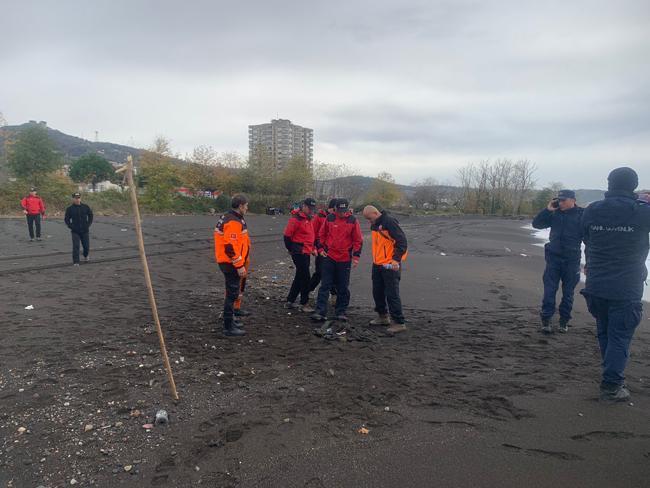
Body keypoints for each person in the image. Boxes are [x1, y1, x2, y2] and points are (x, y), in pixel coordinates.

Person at [581, 167, 650, 402]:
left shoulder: (592, 210)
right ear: (634, 186)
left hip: (597, 282)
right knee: (619, 335)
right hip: (626, 284)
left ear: (609, 184)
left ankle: (612, 375)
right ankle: (611, 385)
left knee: (606, 332)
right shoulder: (642, 212)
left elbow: (586, 237)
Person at [532, 189, 583, 334]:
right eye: (559, 200)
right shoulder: (554, 213)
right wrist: (547, 210)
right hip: (553, 258)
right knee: (549, 290)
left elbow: (590, 238)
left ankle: (564, 321)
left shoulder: (582, 215)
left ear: (573, 200)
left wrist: (590, 260)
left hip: (572, 260)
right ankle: (546, 320)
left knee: (568, 293)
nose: (560, 203)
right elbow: (536, 224)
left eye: (563, 200)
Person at [311, 198, 363, 322]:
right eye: (339, 210)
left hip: (344, 258)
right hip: (329, 257)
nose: (341, 213)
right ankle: (320, 311)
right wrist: (320, 248)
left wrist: (356, 257)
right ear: (335, 209)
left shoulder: (352, 220)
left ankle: (341, 311)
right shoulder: (330, 218)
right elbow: (321, 235)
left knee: (343, 286)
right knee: (325, 285)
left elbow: (358, 240)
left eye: (344, 211)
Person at [363, 205, 408, 334]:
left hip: (390, 264)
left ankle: (399, 322)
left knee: (392, 294)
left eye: (369, 218)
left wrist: (395, 259)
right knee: (377, 292)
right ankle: (383, 316)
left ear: (376, 213)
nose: (369, 221)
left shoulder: (389, 222)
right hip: (378, 264)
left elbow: (402, 242)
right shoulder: (376, 223)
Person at [214, 194, 251, 337]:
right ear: (241, 206)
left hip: (228, 262)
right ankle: (228, 326)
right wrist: (240, 265)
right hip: (229, 263)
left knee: (232, 292)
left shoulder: (230, 217)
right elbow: (230, 247)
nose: (247, 208)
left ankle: (230, 321)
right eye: (246, 205)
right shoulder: (233, 221)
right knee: (231, 294)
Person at [284, 198, 317, 312]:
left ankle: (290, 300)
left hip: (306, 251)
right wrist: (291, 249)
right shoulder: (296, 219)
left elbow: (309, 237)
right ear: (304, 206)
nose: (311, 210)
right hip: (299, 252)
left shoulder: (309, 219)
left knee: (300, 276)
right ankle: (304, 303)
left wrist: (312, 248)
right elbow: (287, 236)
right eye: (309, 208)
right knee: (305, 277)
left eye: (313, 208)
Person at [308, 199, 332, 293]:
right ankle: (308, 290)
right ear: (330, 208)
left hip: (331, 249)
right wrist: (314, 247)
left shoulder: (336, 218)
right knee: (320, 272)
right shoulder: (319, 217)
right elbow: (313, 233)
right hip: (320, 247)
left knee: (331, 273)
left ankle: (333, 294)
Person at [64, 192, 93, 266]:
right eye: (76, 198)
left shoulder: (85, 207)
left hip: (85, 230)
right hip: (75, 231)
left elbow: (90, 216)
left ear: (80, 198)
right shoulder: (70, 209)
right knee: (76, 246)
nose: (77, 199)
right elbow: (66, 219)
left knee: (86, 246)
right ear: (73, 199)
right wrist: (71, 226)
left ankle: (85, 255)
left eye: (78, 198)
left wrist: (88, 224)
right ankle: (76, 261)